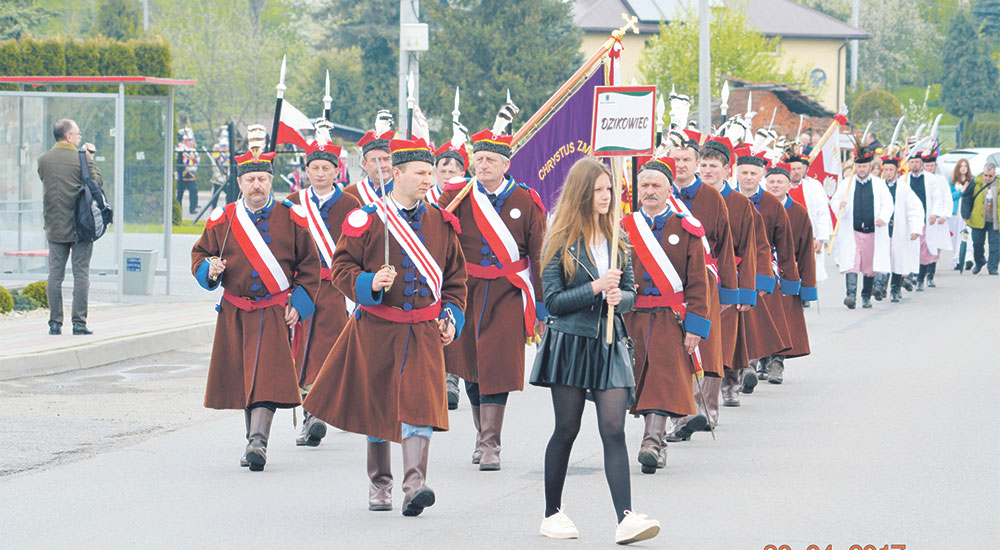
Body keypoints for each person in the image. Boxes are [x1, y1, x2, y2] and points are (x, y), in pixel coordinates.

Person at [302, 137, 467, 517]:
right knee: (378, 410)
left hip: (424, 331)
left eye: (431, 173)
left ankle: (414, 485)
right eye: (421, 173)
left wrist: (452, 318)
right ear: (397, 174)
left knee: (420, 407)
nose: (429, 180)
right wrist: (369, 284)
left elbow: (456, 281)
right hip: (377, 329)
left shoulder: (442, 223)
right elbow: (342, 269)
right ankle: (381, 486)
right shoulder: (368, 219)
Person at [529, 157, 660, 545]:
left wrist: (622, 298)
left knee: (615, 428)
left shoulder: (619, 239)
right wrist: (597, 287)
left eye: (610, 190)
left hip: (609, 342)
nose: (607, 197)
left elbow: (632, 293)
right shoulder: (559, 239)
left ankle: (626, 519)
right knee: (566, 429)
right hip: (569, 342)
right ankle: (552, 514)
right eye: (600, 190)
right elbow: (552, 301)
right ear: (583, 193)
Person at [191, 125, 321, 472]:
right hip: (236, 311)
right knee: (248, 378)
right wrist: (210, 268)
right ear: (240, 183)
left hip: (275, 310)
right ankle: (254, 441)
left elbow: (310, 266)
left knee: (267, 376)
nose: (257, 185)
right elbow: (199, 257)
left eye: (262, 178)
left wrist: (300, 303)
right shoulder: (223, 219)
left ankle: (257, 443)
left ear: (270, 180)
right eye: (250, 180)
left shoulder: (291, 218)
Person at [439, 126, 547, 471]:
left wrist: (543, 308)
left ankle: (490, 444)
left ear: (505, 164)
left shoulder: (525, 201)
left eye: (490, 160)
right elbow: (436, 240)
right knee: (470, 365)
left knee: (497, 366)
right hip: (466, 290)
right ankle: (481, 434)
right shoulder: (457, 196)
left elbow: (540, 256)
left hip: (507, 293)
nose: (482, 165)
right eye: (479, 159)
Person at [623, 155, 711, 474]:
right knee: (635, 380)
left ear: (668, 189)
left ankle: (652, 443)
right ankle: (653, 442)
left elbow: (699, 283)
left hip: (669, 318)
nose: (649, 190)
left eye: (656, 185)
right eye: (644, 184)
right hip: (630, 318)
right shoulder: (624, 229)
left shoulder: (685, 229)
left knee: (661, 378)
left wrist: (695, 327)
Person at [284, 125, 361, 447]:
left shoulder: (351, 205)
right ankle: (310, 417)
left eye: (325, 168)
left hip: (337, 291)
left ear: (336, 170)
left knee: (328, 353)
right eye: (314, 168)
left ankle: (319, 412)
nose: (319, 173)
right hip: (303, 290)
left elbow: (361, 251)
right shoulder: (291, 203)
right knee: (301, 353)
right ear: (306, 171)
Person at [664, 131, 740, 439]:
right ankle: (680, 417)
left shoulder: (712, 198)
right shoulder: (659, 193)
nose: (680, 165)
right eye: (675, 159)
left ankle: (705, 411)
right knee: (672, 350)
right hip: (666, 283)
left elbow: (725, 246)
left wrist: (729, 292)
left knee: (705, 349)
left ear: (697, 163)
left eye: (686, 160)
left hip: (704, 283)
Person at [736, 158, 800, 384]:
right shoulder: (726, 200)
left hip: (763, 263)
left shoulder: (772, 204)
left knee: (763, 314)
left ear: (760, 176)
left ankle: (767, 362)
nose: (748, 177)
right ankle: (743, 366)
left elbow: (784, 244)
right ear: (735, 173)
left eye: (753, 173)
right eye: (744, 172)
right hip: (732, 264)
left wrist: (790, 278)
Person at [38, 118, 101, 336]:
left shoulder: (44, 159)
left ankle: (55, 323)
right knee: (81, 274)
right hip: (81, 226)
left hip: (54, 227)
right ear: (68, 136)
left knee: (55, 276)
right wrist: (90, 159)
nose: (80, 137)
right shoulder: (81, 158)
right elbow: (97, 183)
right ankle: (79, 323)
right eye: (77, 134)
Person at [714, 143, 759, 407]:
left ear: (726, 169)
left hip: (731, 274)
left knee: (730, 336)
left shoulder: (740, 204)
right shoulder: (685, 199)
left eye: (714, 165)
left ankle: (731, 383)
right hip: (700, 274)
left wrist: (746, 288)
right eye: (704, 165)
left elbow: (750, 248)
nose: (708, 170)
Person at [765, 163, 816, 377]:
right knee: (762, 318)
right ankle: (761, 359)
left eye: (780, 182)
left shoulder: (799, 212)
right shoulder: (757, 207)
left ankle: (777, 362)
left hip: (787, 272)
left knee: (784, 318)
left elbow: (805, 251)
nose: (775, 185)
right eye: (772, 181)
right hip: (763, 270)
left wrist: (807, 284)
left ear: (788, 185)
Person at [831, 147, 893, 309]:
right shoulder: (846, 184)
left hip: (872, 232)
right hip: (853, 231)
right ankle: (850, 295)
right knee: (851, 263)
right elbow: (835, 202)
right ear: (855, 167)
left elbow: (888, 204)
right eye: (859, 166)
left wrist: (883, 218)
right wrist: (840, 205)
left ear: (870, 167)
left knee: (868, 266)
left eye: (865, 166)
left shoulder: (879, 185)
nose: (862, 169)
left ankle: (866, 296)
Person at [879, 154, 924, 302]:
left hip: (898, 229)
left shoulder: (904, 189)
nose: (888, 173)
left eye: (891, 169)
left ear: (897, 171)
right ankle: (880, 287)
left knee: (897, 260)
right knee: (882, 259)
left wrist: (915, 228)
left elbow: (915, 209)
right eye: (886, 169)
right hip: (883, 229)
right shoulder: (878, 187)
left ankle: (895, 288)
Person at [786, 150, 833, 285]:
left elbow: (822, 212)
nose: (796, 171)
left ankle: (804, 293)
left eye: (799, 168)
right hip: (786, 235)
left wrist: (821, 238)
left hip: (807, 236)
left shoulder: (814, 186)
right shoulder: (781, 186)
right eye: (793, 169)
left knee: (806, 267)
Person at [907, 151, 952, 289]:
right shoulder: (904, 179)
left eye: (917, 161)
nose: (914, 164)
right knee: (910, 249)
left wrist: (937, 214)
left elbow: (940, 198)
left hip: (927, 220)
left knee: (926, 250)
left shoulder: (932, 179)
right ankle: (909, 275)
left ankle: (922, 278)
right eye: (912, 161)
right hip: (910, 220)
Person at [344, 110, 395, 206]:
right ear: (364, 164)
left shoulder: (406, 192)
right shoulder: (349, 195)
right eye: (375, 160)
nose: (382, 165)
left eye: (387, 159)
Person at [965, 163, 999, 275]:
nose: (987, 178)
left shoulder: (998, 184)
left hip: (995, 220)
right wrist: (965, 214)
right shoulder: (975, 183)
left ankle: (993, 267)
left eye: (990, 176)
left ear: (995, 174)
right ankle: (979, 262)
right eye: (986, 175)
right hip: (978, 219)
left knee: (995, 245)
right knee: (977, 244)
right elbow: (966, 198)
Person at [949, 158, 973, 270]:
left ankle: (968, 259)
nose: (963, 168)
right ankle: (957, 260)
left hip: (966, 213)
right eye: (961, 166)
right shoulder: (952, 182)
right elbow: (951, 197)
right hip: (955, 213)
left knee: (967, 235)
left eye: (965, 166)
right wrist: (961, 191)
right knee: (955, 238)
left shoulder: (971, 181)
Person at [176, 130, 200, 214]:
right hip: (182, 176)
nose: (191, 143)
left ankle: (192, 208)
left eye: (191, 141)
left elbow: (196, 162)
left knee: (193, 191)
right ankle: (178, 210)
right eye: (189, 141)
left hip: (190, 175)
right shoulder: (181, 150)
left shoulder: (193, 151)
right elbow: (179, 162)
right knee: (179, 194)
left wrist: (190, 168)